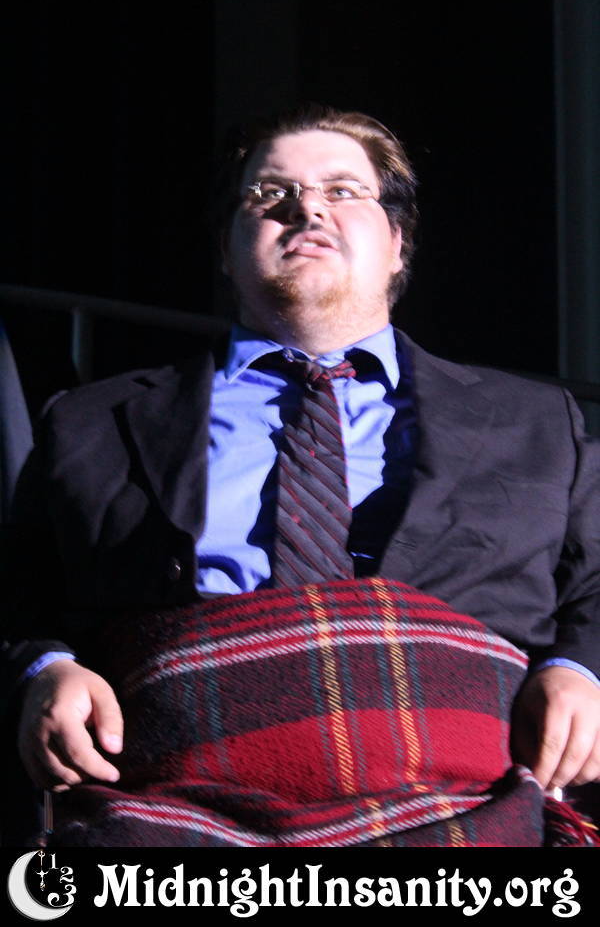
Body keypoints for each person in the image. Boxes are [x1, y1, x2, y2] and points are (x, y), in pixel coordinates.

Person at [2, 106, 599, 846]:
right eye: (269, 194)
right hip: (174, 814)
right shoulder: (90, 421)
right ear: (226, 249)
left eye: (342, 191)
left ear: (398, 243)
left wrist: (582, 669)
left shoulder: (535, 422)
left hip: (467, 808)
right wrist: (44, 666)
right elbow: (18, 588)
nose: (307, 209)